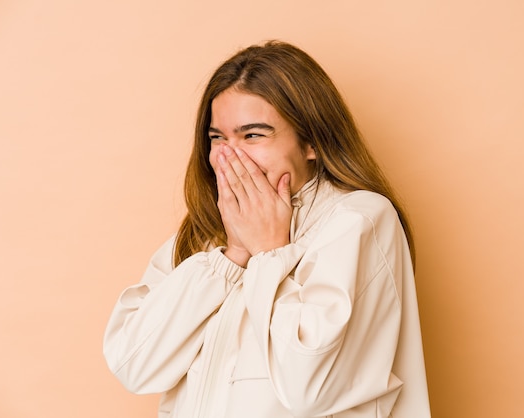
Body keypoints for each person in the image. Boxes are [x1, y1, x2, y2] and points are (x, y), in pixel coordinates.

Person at [103, 40, 430, 418]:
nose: (229, 156)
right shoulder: (208, 234)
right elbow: (134, 365)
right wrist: (234, 256)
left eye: (253, 135)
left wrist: (269, 254)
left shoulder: (358, 220)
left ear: (311, 141)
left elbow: (309, 387)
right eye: (217, 138)